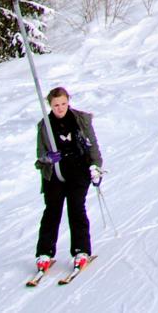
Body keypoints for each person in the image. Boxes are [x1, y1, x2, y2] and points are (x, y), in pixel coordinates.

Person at [31, 85, 102, 280]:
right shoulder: (44, 125)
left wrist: (96, 167)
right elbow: (40, 156)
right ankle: (44, 254)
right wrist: (47, 158)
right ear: (50, 106)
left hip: (78, 171)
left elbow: (92, 145)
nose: (60, 108)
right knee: (52, 211)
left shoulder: (80, 120)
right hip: (55, 174)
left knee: (76, 208)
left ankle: (81, 251)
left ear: (68, 102)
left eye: (63, 104)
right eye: (56, 105)